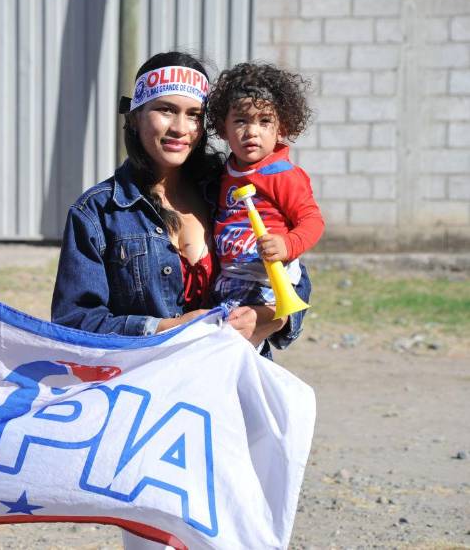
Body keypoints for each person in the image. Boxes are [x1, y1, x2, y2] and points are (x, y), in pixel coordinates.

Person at [50, 51, 311, 549]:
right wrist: (166, 328)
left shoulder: (234, 187)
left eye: (194, 114)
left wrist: (263, 318)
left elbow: (295, 280)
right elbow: (74, 321)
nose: (180, 127)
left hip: (236, 402)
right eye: (165, 109)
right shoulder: (98, 211)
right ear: (136, 115)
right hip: (152, 417)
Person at [207, 62, 324, 310]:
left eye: (264, 121)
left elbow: (312, 221)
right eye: (240, 121)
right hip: (229, 279)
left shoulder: (283, 174)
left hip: (266, 284)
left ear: (282, 127)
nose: (252, 131)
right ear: (222, 127)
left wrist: (287, 245)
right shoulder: (223, 173)